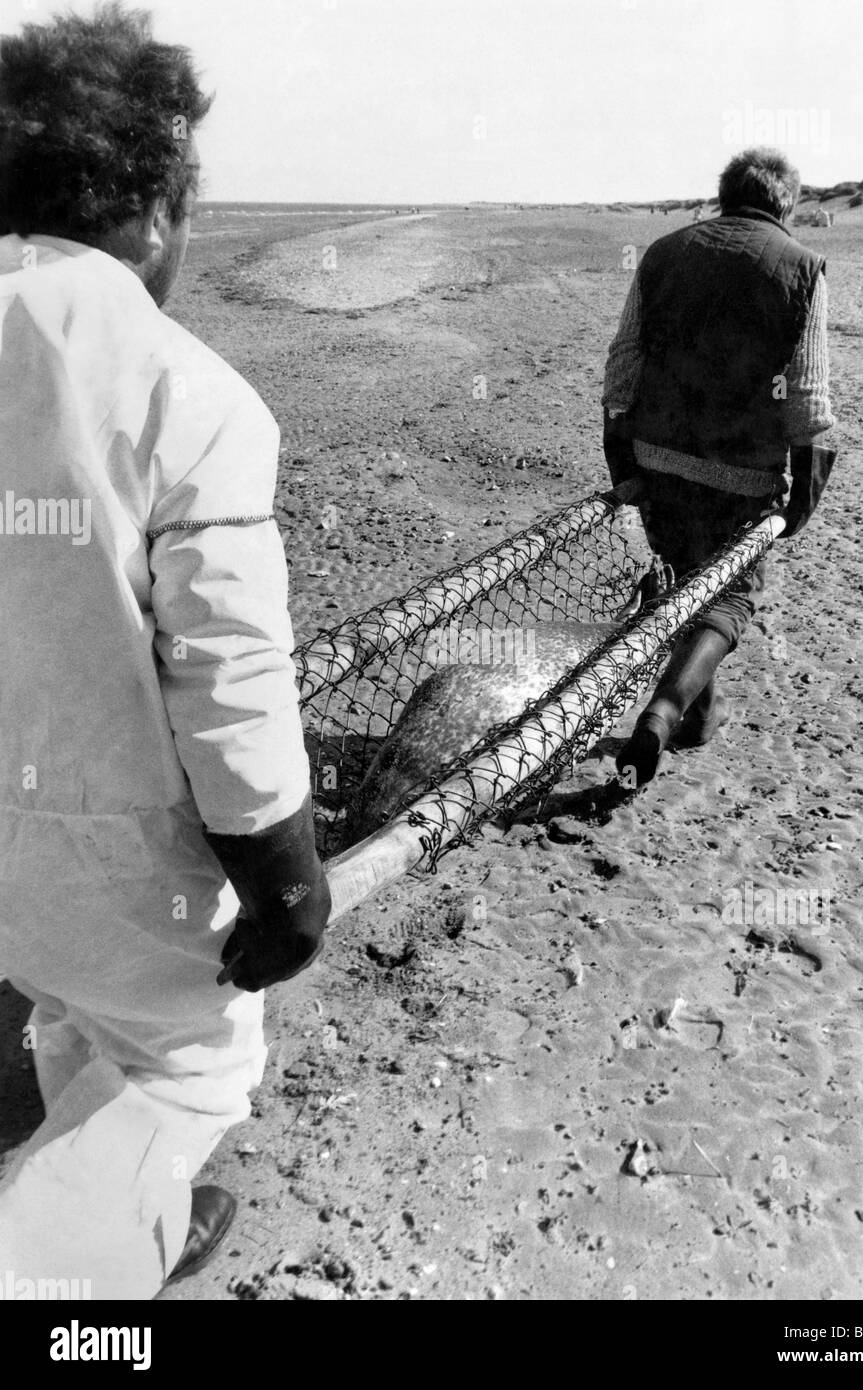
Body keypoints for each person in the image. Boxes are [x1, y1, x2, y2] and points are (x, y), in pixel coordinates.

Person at [0, 4, 330, 1298]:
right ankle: (72, 1261)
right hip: (120, 847)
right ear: (153, 211)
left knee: (70, 1011)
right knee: (186, 1062)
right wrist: (286, 877)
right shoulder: (183, 393)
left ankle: (111, 1200)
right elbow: (229, 677)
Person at [603, 147, 837, 784]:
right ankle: (666, 711)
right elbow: (808, 392)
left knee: (684, 580)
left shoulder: (663, 252)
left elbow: (623, 362)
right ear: (785, 203)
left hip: (657, 457)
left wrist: (622, 458)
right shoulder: (803, 266)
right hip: (742, 475)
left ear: (724, 192)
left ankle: (697, 717)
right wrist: (801, 501)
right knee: (729, 597)